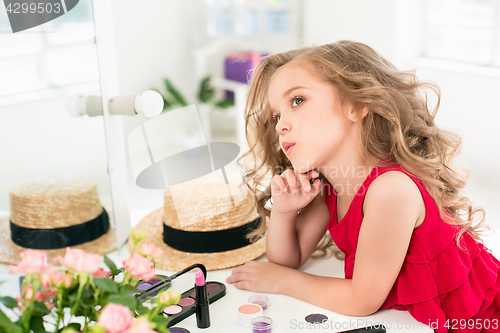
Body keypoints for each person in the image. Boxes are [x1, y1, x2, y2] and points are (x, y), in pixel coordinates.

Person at [225, 40, 500, 332]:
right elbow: (286, 261)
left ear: (356, 106)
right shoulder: (328, 186)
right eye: (276, 115)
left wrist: (281, 282)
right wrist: (284, 212)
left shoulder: (390, 189)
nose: (281, 125)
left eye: (297, 100)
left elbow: (361, 300)